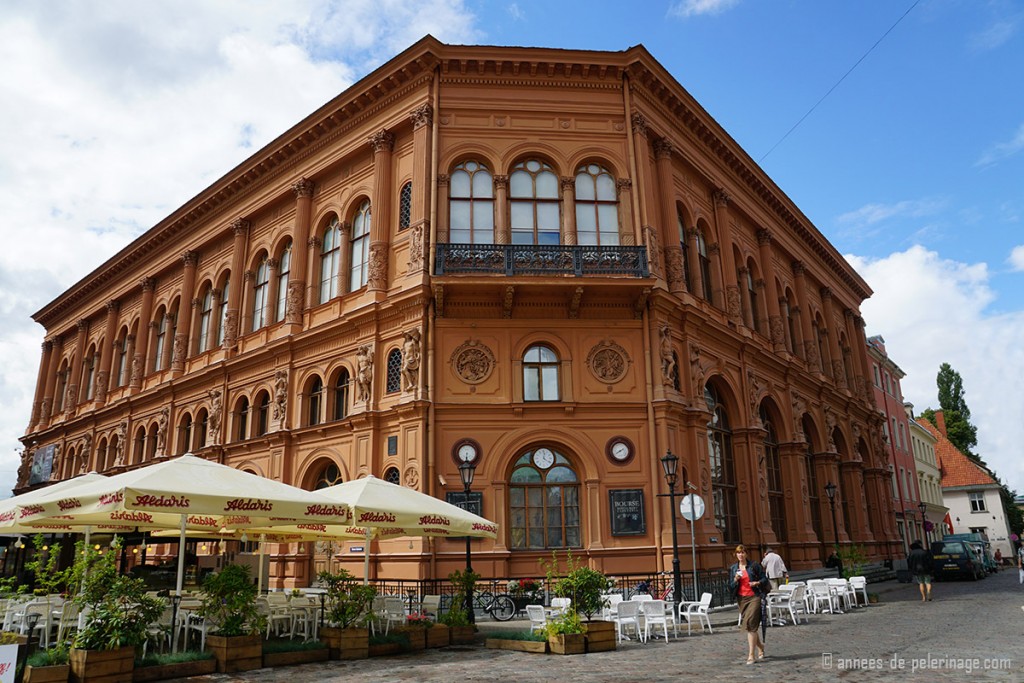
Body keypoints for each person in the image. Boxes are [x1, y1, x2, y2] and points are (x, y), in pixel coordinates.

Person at [728, 544, 769, 665]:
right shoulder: (733, 568)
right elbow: (730, 587)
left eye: (743, 552)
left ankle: (751, 655)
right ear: (736, 554)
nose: (740, 555)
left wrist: (756, 583)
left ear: (746, 554)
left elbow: (764, 579)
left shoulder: (754, 566)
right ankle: (760, 646)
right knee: (751, 626)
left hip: (754, 597)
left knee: (751, 623)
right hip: (742, 599)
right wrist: (735, 580)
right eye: (738, 553)